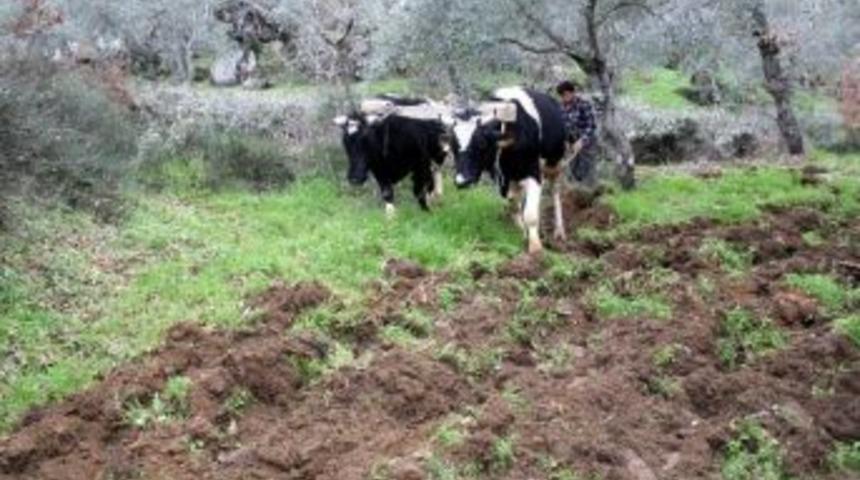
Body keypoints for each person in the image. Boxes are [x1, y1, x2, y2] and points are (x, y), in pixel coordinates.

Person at [557, 80, 598, 187]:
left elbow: (591, 125)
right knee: (571, 169)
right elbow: (562, 126)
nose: (563, 98)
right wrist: (565, 140)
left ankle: (589, 192)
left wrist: (581, 141)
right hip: (571, 141)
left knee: (586, 169)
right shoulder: (561, 106)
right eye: (561, 96)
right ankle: (573, 191)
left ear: (572, 92)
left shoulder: (584, 103)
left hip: (587, 141)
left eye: (565, 95)